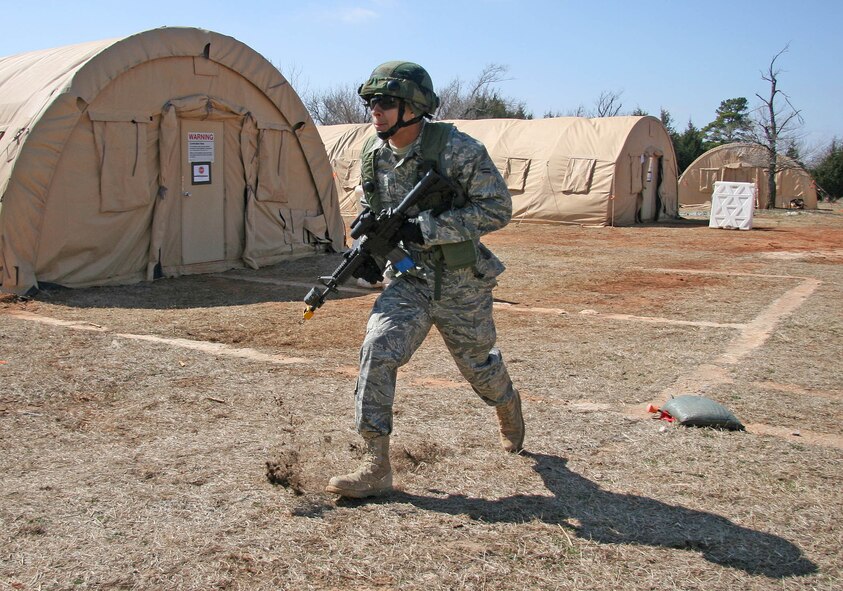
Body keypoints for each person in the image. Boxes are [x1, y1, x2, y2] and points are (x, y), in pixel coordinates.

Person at [325, 61, 524, 499]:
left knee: (479, 369)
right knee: (378, 349)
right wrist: (370, 253)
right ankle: (375, 462)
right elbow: (375, 211)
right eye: (371, 102)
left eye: (386, 102)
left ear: (414, 108)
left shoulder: (458, 149)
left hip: (461, 282)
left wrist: (427, 229)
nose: (375, 111)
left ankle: (507, 404)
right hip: (409, 281)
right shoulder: (372, 155)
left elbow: (497, 209)